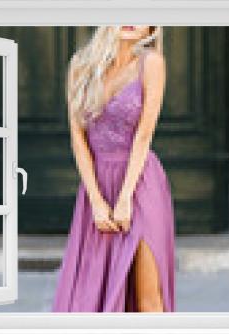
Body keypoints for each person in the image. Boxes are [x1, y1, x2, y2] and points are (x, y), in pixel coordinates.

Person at [51, 25, 175, 312]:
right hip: (97, 185)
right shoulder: (80, 65)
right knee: (91, 290)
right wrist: (96, 200)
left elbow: (144, 134)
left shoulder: (152, 63)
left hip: (141, 183)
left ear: (152, 27)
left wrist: (125, 198)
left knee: (148, 294)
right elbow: (78, 138)